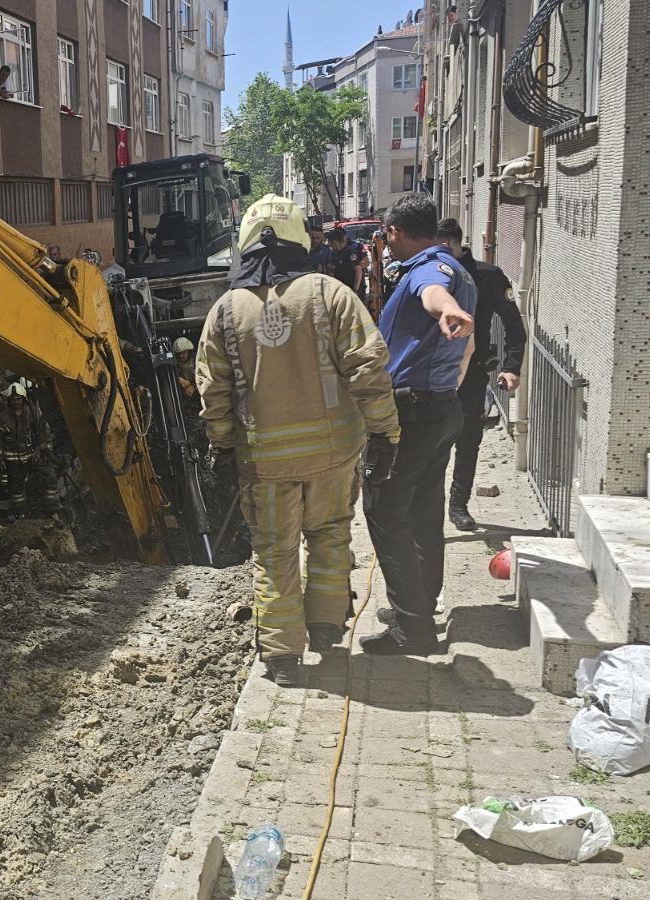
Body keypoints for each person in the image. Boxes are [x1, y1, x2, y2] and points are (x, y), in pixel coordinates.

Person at [196, 194, 400, 686]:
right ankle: (326, 626)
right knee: (330, 533)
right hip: (333, 455)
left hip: (264, 461)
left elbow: (213, 391)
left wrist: (221, 448)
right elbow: (369, 368)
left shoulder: (225, 310)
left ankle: (282, 656)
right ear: (300, 238)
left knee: (274, 552)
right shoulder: (331, 295)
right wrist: (384, 432)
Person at [361, 195, 477, 655]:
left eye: (387, 236)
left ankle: (412, 628)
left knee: (385, 511)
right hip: (440, 407)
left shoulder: (429, 271)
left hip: (412, 413)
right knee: (424, 511)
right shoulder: (458, 267)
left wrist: (445, 309)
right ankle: (419, 606)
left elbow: (433, 293)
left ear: (394, 232)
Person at [436, 218, 527, 532]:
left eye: (442, 246)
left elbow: (514, 326)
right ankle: (428, 506)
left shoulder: (486, 276)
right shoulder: (429, 275)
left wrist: (511, 367)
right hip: (434, 376)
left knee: (469, 441)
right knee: (431, 443)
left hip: (472, 374)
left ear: (452, 244)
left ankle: (458, 505)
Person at [0, 382, 55, 512]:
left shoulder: (33, 412)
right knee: (16, 487)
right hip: (14, 459)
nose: (16, 402)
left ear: (23, 399)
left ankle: (52, 507)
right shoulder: (3, 417)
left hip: (34, 455)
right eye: (13, 399)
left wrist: (44, 448)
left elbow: (45, 431)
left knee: (48, 476)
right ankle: (21, 510)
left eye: (18, 399)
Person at [326, 226, 366, 295]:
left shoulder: (350, 252)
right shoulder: (336, 253)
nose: (330, 246)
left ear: (335, 242)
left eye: (330, 243)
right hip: (343, 290)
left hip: (352, 290)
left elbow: (358, 271)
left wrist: (355, 290)